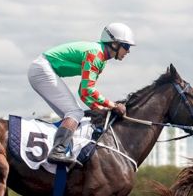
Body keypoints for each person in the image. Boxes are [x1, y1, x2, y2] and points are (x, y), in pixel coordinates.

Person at [27, 22, 136, 165]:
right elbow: (88, 90)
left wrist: (99, 110)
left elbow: (83, 93)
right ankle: (57, 151)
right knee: (75, 113)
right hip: (41, 70)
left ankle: (61, 149)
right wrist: (113, 105)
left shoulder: (101, 59)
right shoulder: (96, 55)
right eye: (126, 46)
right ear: (114, 44)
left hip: (42, 69)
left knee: (77, 117)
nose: (128, 51)